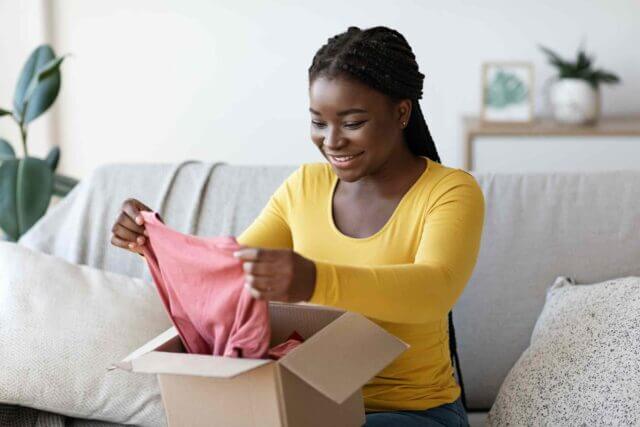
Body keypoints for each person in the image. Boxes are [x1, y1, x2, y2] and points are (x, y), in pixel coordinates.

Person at [110, 25, 484, 427]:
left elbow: (433, 289)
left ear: (401, 112)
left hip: (413, 413)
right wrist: (157, 242)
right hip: (310, 406)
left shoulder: (450, 191)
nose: (331, 141)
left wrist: (313, 280)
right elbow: (232, 274)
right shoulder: (304, 186)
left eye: (352, 123)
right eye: (318, 123)